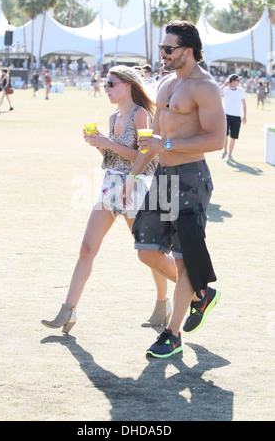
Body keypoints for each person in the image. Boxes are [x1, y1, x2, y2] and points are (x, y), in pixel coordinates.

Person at [41, 65, 174, 334]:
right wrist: (100, 145)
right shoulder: (114, 118)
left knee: (150, 253)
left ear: (127, 85)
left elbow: (144, 157)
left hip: (136, 187)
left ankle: (166, 302)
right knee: (86, 249)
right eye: (105, 84)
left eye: (111, 84)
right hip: (110, 185)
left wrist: (109, 143)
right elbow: (113, 158)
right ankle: (68, 310)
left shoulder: (141, 116)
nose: (107, 89)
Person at [123, 20, 226, 358]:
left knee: (183, 261)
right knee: (146, 251)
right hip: (162, 178)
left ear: (189, 50)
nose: (163, 54)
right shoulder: (166, 82)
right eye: (162, 49)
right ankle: (200, 294)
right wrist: (134, 176)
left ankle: (173, 333)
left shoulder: (205, 87)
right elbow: (151, 141)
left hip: (190, 179)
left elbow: (216, 138)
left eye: (169, 49)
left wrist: (165, 143)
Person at [220, 74, 247, 161]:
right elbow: (217, 91)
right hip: (226, 115)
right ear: (232, 81)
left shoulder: (241, 90)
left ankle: (230, 154)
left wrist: (245, 116)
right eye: (237, 80)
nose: (239, 82)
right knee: (225, 135)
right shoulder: (226, 89)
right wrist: (225, 84)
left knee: (233, 136)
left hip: (236, 116)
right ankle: (225, 151)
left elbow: (244, 104)